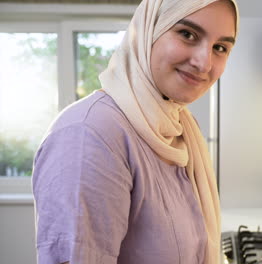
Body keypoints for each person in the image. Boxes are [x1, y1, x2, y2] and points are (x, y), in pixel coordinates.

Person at [31, 0, 238, 263]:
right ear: (148, 32)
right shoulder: (90, 133)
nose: (204, 62)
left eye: (220, 48)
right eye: (187, 34)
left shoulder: (180, 126)